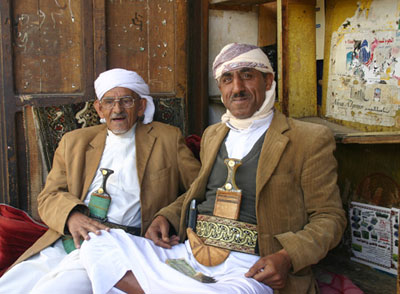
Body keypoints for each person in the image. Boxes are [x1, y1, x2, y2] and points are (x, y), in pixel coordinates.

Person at [81, 43, 346, 294]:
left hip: (252, 266)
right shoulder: (213, 134)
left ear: (268, 81)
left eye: (247, 76)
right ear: (220, 87)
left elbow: (330, 217)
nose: (237, 87)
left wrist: (287, 256)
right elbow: (200, 191)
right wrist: (166, 217)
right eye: (228, 79)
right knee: (98, 245)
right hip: (191, 253)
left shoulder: (308, 139)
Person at [0, 68, 200, 293]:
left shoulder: (167, 138)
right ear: (99, 108)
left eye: (126, 100)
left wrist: (166, 216)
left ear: (141, 106)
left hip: (118, 245)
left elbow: (198, 189)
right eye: (109, 101)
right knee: (12, 285)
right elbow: (49, 196)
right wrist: (71, 216)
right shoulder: (74, 142)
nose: (117, 109)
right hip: (69, 238)